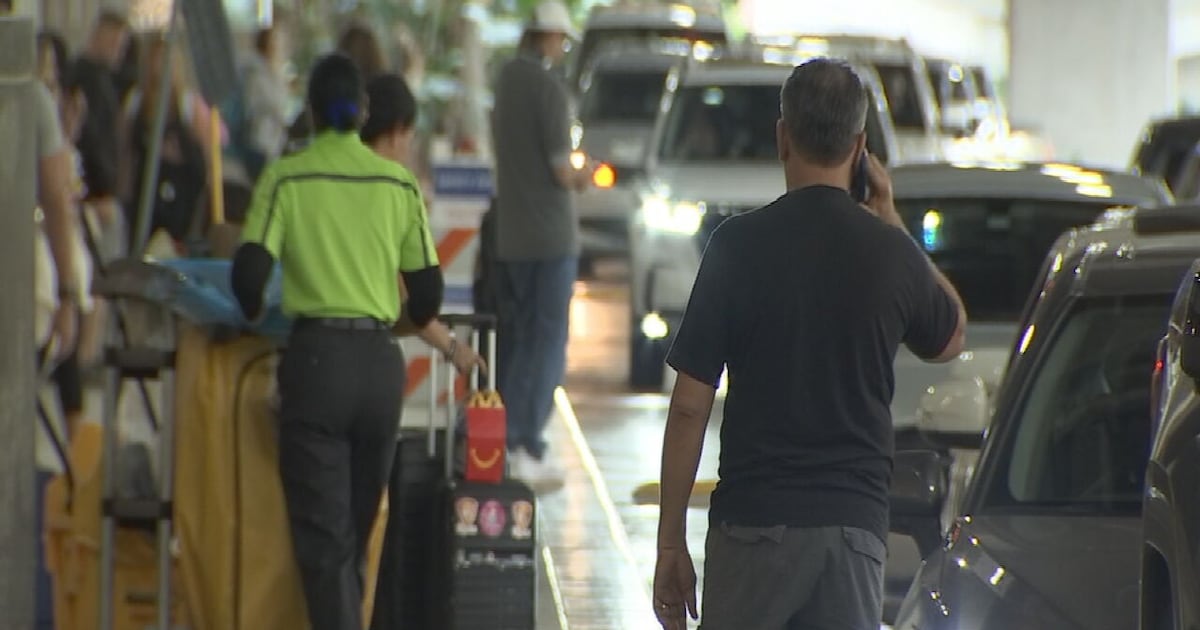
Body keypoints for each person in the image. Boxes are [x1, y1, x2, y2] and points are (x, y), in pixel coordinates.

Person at [652, 58, 968, 630]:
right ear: (860, 148)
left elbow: (689, 405)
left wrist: (670, 543)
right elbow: (951, 337)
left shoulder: (735, 247)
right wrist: (891, 220)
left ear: (782, 137)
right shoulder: (888, 253)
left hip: (752, 531)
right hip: (851, 534)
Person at [231, 53, 443, 630]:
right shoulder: (398, 184)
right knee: (351, 540)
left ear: (311, 111)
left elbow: (248, 278)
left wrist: (254, 310)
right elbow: (426, 297)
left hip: (316, 367)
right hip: (380, 373)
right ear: (364, 112)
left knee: (326, 547)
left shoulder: (287, 177)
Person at [491, 0, 593, 484]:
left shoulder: (505, 81)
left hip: (511, 236)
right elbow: (559, 167)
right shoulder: (549, 88)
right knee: (547, 342)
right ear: (548, 38)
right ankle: (524, 442)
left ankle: (505, 441)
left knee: (519, 340)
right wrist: (584, 173)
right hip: (550, 237)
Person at [360, 73, 487, 375]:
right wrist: (452, 348)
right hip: (370, 354)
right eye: (410, 136)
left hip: (310, 349)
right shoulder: (398, 190)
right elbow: (417, 296)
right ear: (396, 132)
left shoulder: (313, 179)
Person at [72, 8, 129, 256]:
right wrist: (103, 190)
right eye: (116, 42)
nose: (120, 51)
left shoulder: (103, 79)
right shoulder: (87, 79)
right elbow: (91, 139)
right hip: (94, 196)